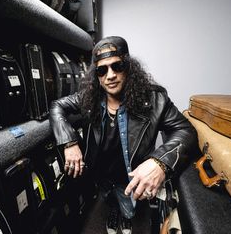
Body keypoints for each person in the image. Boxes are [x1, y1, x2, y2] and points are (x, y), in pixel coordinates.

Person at [49, 36, 197, 234]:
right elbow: (57, 106)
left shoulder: (155, 99)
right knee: (110, 200)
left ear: (128, 67)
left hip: (129, 176)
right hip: (101, 175)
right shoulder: (89, 97)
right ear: (97, 76)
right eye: (102, 70)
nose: (110, 75)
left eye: (116, 66)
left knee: (129, 208)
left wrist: (160, 162)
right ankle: (114, 212)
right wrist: (69, 142)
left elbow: (186, 131)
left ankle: (126, 218)